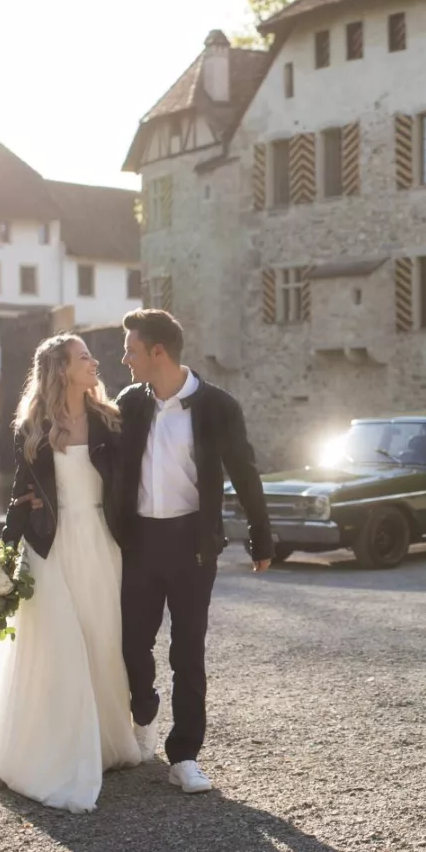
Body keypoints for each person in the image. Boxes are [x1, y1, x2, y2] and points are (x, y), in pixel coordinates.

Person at [0, 333, 142, 813]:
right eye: (84, 358)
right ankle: (59, 750)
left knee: (103, 640)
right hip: (50, 550)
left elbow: (130, 484)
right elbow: (20, 494)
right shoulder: (33, 427)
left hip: (101, 543)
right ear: (62, 370)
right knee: (61, 648)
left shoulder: (109, 420)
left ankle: (104, 744)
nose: (94, 362)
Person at [115, 309, 273, 794]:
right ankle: (144, 712)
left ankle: (184, 755)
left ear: (158, 352)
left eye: (132, 350)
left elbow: (244, 471)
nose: (125, 359)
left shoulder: (218, 406)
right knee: (131, 644)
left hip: (192, 546)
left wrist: (261, 535)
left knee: (188, 652)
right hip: (139, 541)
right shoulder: (128, 403)